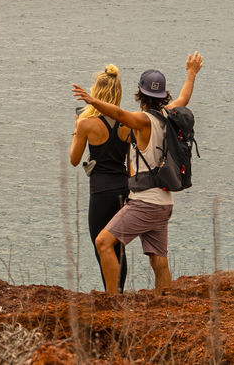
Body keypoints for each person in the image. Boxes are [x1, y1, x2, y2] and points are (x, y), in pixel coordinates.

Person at [72, 52, 203, 294]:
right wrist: (191, 73)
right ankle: (164, 305)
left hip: (145, 202)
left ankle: (112, 302)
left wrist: (92, 101)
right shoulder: (169, 115)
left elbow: (120, 115)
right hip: (164, 201)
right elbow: (184, 97)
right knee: (158, 259)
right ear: (163, 96)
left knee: (103, 243)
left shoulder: (143, 120)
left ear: (140, 94)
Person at [70, 64, 130, 292]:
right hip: (123, 189)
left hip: (100, 192)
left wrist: (77, 128)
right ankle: (119, 294)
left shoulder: (86, 123)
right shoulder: (128, 123)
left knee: (100, 246)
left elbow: (74, 160)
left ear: (96, 93)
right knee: (118, 247)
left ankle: (110, 295)